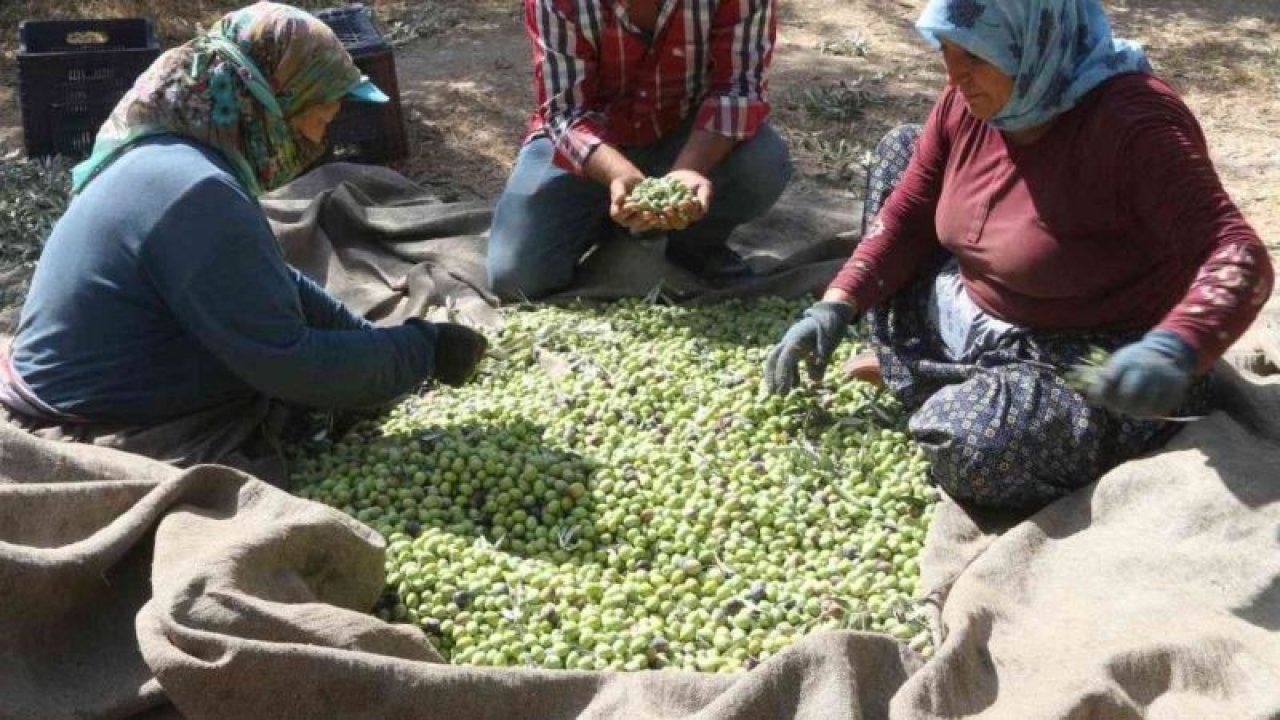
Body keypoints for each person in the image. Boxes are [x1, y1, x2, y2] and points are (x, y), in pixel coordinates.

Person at [765, 0, 1274, 512]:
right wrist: (836, 302)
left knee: (969, 445)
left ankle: (945, 384)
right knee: (901, 149)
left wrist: (1175, 349)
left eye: (976, 57)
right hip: (975, 309)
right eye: (947, 52)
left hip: (1090, 360)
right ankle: (941, 374)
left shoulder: (1134, 124)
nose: (955, 76)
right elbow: (906, 216)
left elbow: (1239, 255)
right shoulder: (969, 103)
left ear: (1032, 43)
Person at [0, 3, 487, 477]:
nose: (320, 141)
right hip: (82, 416)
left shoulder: (176, 157)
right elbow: (290, 364)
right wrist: (422, 351)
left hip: (90, 378)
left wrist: (367, 340)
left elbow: (269, 280)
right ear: (270, 104)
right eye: (317, 118)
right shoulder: (196, 193)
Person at [485, 0, 793, 299]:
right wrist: (621, 175)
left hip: (683, 132)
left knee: (763, 163)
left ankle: (691, 244)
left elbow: (739, 89)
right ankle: (611, 227)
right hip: (589, 146)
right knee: (515, 276)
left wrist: (689, 170)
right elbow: (566, 113)